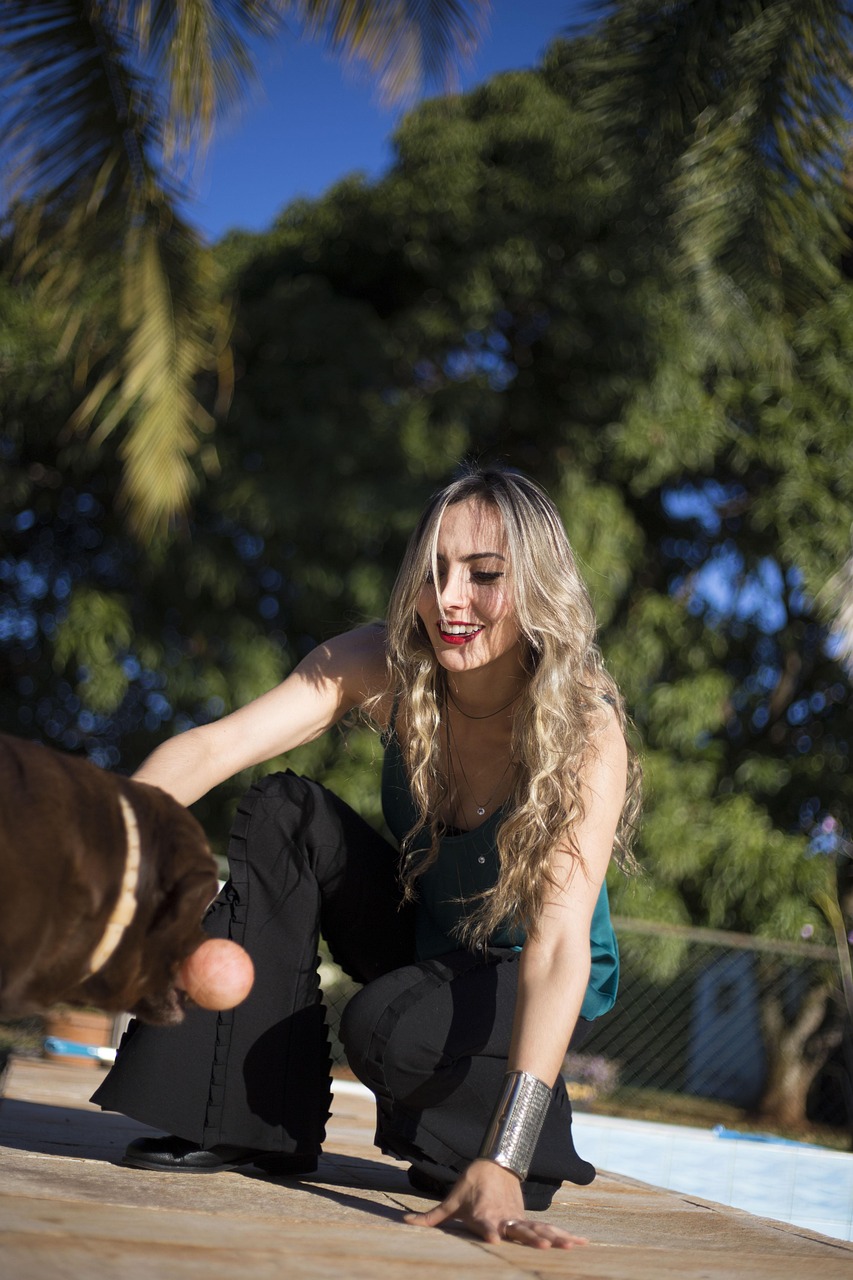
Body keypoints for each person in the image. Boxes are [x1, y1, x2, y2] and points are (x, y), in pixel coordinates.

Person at [92, 466, 639, 1251]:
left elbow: (555, 949)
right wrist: (93, 843)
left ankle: (496, 1142)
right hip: (427, 939)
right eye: (432, 573)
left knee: (386, 1026)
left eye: (484, 576)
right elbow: (218, 745)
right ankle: (242, 1121)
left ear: (540, 585)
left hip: (521, 979)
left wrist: (505, 1155)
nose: (450, 600)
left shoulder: (582, 725)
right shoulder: (384, 665)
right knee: (286, 811)